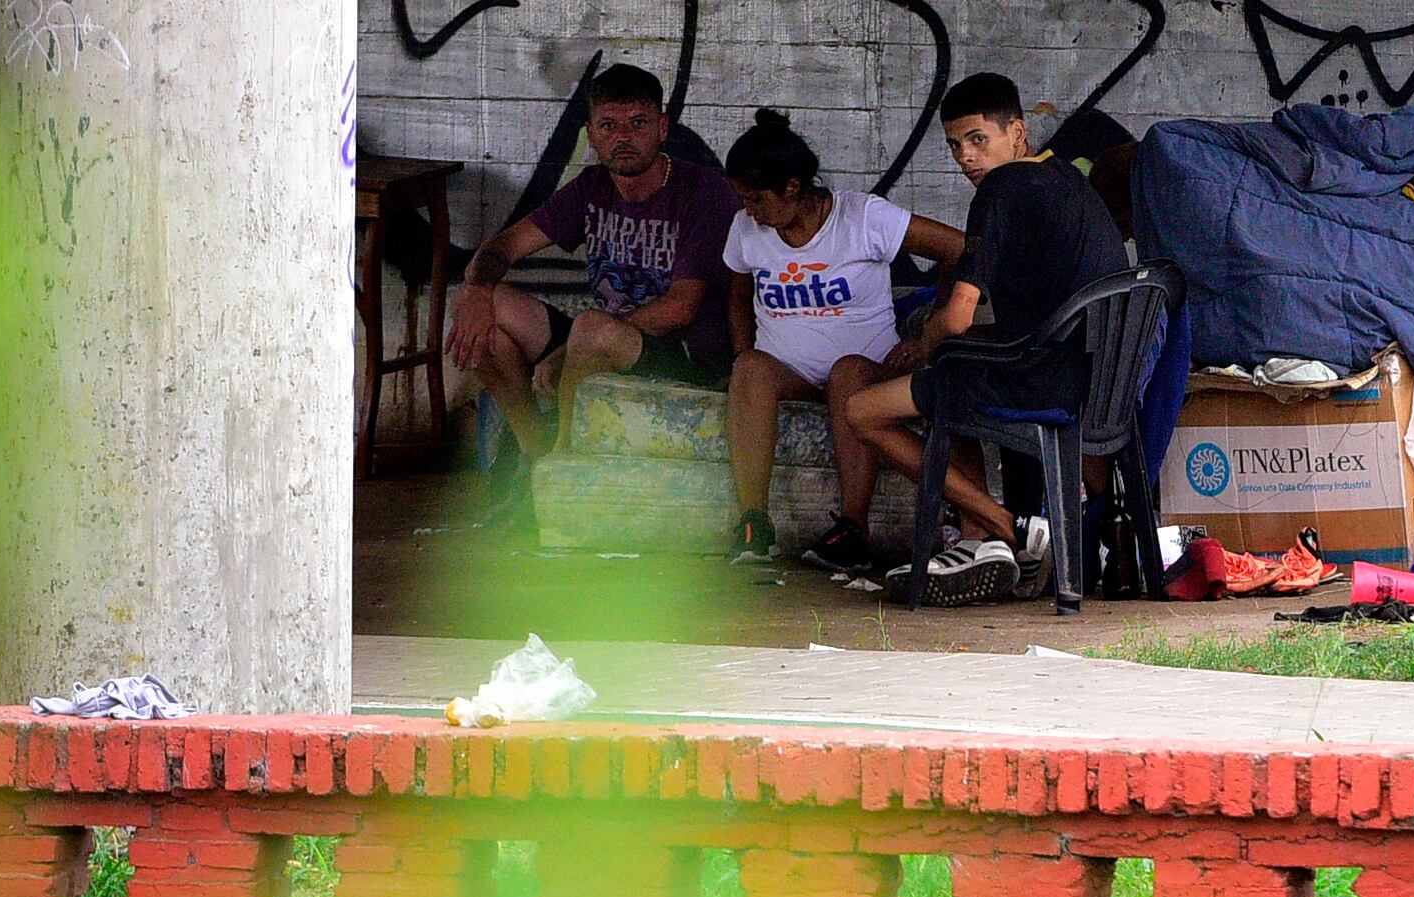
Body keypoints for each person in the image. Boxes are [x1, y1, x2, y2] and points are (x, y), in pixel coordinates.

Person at [840, 72, 1130, 606]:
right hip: (1100, 383)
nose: (966, 158)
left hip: (1043, 384)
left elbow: (955, 317)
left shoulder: (1002, 189)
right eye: (955, 146)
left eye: (978, 140)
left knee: (863, 411)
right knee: (954, 367)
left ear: (1016, 131)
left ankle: (1005, 528)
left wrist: (924, 345)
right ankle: (981, 538)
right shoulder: (1067, 179)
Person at [447, 65, 741, 501]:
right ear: (591, 133)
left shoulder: (702, 192)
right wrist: (473, 291)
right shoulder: (591, 187)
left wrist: (568, 351)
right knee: (487, 311)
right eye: (608, 125)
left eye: (638, 124)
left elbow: (681, 307)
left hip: (680, 353)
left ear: (662, 128)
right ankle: (538, 463)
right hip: (602, 334)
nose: (623, 137)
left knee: (590, 328)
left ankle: (567, 466)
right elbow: (504, 247)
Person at [716, 110, 967, 571]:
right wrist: (739, 350)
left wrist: (932, 332)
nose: (748, 211)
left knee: (847, 370)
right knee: (749, 367)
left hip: (864, 374)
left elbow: (958, 249)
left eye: (755, 199)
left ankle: (852, 529)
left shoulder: (863, 217)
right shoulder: (746, 229)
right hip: (787, 373)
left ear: (792, 188)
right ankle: (753, 525)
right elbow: (737, 294)